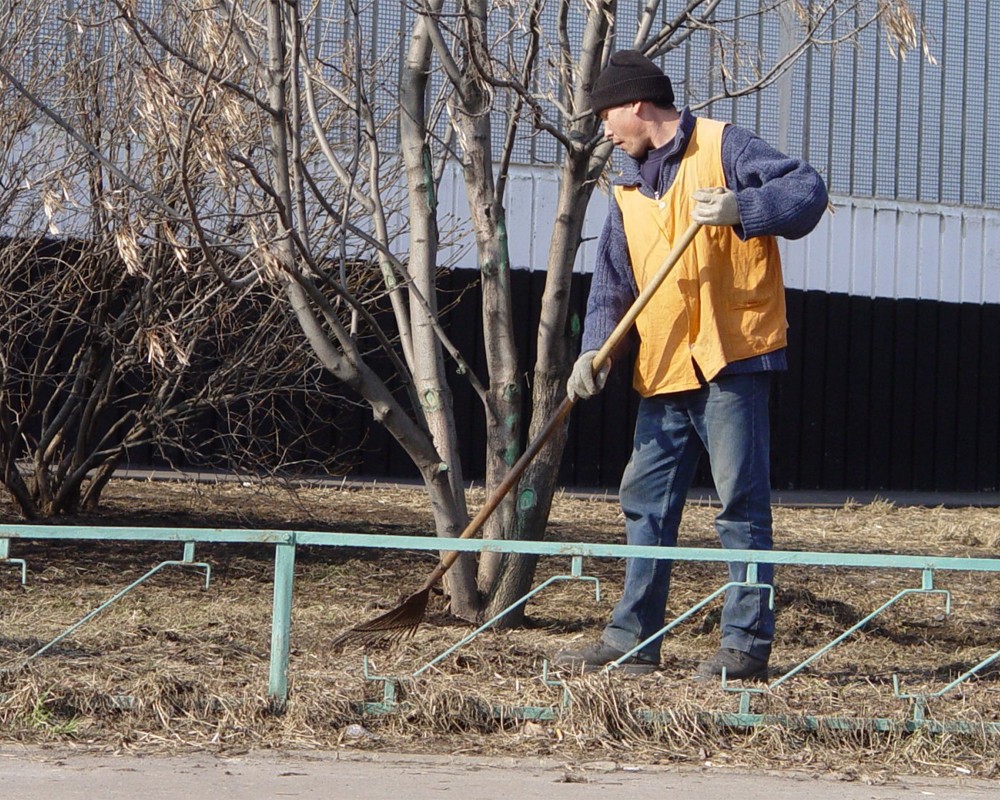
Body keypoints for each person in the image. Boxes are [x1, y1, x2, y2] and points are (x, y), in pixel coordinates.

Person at [554, 50, 828, 681]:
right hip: (664, 367)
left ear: (636, 105)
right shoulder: (625, 191)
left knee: (740, 505)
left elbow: (807, 190)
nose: (606, 132)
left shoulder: (724, 146)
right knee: (644, 501)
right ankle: (632, 640)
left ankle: (745, 648)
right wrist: (595, 352)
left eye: (606, 118)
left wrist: (744, 209)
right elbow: (611, 290)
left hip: (731, 360)